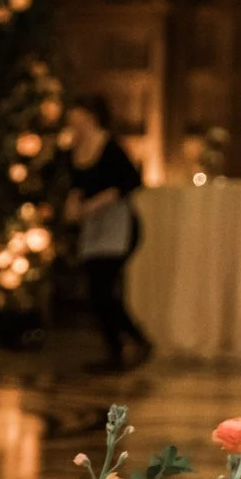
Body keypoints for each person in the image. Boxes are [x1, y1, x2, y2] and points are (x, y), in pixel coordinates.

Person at [62, 95, 154, 373]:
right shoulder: (74, 150)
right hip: (92, 228)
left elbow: (132, 181)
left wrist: (99, 201)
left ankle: (130, 343)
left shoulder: (111, 147)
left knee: (103, 288)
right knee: (96, 290)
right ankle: (119, 347)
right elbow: (77, 184)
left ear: (90, 117)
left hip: (116, 226)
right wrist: (73, 204)